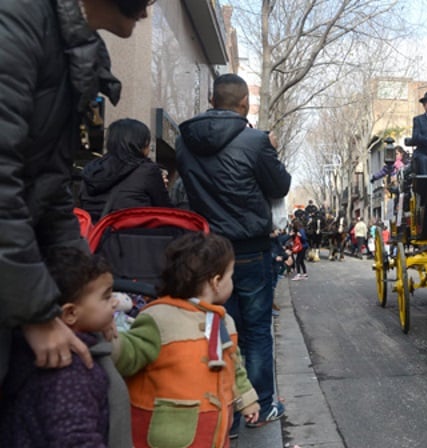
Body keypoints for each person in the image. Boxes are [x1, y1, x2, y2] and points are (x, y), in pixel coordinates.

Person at [0, 0, 153, 386]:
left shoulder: (72, 48)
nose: (147, 13)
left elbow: (51, 196)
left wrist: (91, 298)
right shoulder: (17, 20)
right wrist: (35, 312)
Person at [176, 73, 292, 430]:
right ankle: (261, 406)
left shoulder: (185, 142)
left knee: (218, 329)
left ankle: (225, 412)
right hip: (250, 250)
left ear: (212, 100)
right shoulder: (254, 141)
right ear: (244, 103)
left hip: (209, 249)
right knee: (256, 330)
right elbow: (281, 184)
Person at [112, 232, 260, 445]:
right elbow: (129, 355)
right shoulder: (159, 318)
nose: (232, 281)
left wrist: (247, 401)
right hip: (167, 437)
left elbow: (234, 366)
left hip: (213, 434)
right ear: (217, 281)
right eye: (231, 275)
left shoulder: (224, 321)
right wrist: (110, 337)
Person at [0, 247, 130, 447]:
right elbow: (76, 439)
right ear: (70, 313)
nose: (114, 303)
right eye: (106, 297)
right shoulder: (68, 372)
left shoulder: (29, 353)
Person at [79, 118, 172, 221]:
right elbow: (166, 212)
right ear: (140, 144)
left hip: (93, 234)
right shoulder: (148, 171)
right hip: (134, 234)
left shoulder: (91, 169)